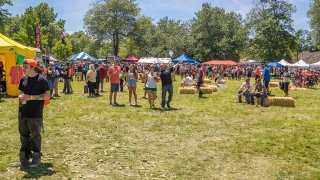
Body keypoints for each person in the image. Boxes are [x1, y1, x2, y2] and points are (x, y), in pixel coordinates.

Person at [17, 59, 50, 168]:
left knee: (35, 136)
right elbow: (21, 92)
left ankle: (36, 157)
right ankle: (24, 157)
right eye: (23, 66)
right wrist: (21, 98)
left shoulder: (41, 79)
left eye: (25, 66)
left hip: (35, 112)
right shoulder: (23, 78)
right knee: (23, 135)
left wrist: (30, 97)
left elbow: (47, 96)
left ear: (32, 67)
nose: (23, 68)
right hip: (22, 111)